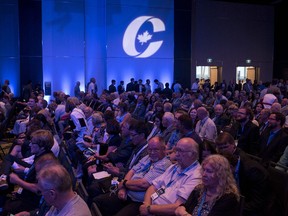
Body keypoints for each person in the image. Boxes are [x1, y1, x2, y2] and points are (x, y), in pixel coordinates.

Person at [93, 137, 172, 216]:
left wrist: (124, 184)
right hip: (126, 192)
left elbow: (143, 184)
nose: (152, 152)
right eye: (149, 149)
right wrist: (123, 188)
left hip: (138, 202)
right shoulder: (147, 157)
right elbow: (131, 171)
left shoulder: (165, 164)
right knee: (97, 202)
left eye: (156, 149)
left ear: (164, 149)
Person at [139, 137, 202, 215]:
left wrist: (149, 209)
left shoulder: (196, 175)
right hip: (151, 209)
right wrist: (146, 205)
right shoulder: (175, 166)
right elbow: (153, 186)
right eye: (176, 150)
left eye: (181, 151)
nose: (177, 154)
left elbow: (178, 206)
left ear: (193, 154)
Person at [215, 132, 269, 216]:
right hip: (237, 199)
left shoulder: (252, 171)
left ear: (234, 145)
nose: (223, 150)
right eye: (220, 148)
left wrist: (234, 209)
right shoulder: (229, 160)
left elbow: (257, 203)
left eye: (225, 147)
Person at [175, 154, 240, 216]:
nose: (204, 174)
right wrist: (182, 210)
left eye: (209, 171)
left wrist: (184, 214)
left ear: (220, 175)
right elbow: (181, 208)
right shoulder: (199, 190)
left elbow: (182, 211)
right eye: (204, 170)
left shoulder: (228, 198)